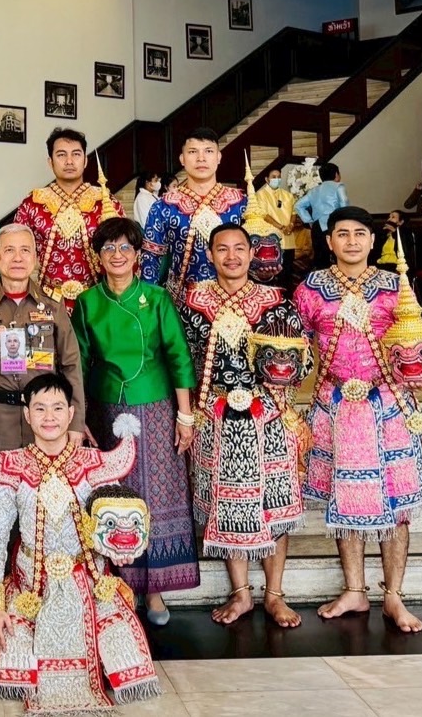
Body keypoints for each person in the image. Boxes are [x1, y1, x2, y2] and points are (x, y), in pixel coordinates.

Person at [0, 373, 161, 712]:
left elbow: (120, 522)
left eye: (58, 408)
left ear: (71, 413)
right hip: (31, 585)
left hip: (89, 581)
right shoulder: (10, 467)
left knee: (123, 650)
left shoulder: (96, 465)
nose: (49, 417)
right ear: (27, 414)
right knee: (10, 655)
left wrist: (122, 549)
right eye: (40, 408)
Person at [295, 206, 422, 632]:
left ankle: (394, 596)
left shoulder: (395, 286)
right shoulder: (310, 289)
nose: (351, 241)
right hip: (333, 403)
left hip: (391, 403)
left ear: (373, 241)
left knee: (398, 504)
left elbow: (417, 343)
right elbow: (295, 350)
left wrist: (420, 366)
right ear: (329, 241)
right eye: (342, 233)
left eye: (359, 233)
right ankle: (354, 590)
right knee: (345, 497)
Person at [181, 223, 312, 627]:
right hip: (214, 415)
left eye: (240, 248)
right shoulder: (193, 302)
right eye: (222, 249)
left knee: (275, 503)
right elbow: (181, 360)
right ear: (210, 254)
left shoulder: (276, 302)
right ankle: (241, 594)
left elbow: (303, 359)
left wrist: (283, 383)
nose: (232, 257)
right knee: (227, 505)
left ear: (252, 253)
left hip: (269, 414)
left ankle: (274, 595)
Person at [71, 217, 198, 625]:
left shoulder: (156, 298)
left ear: (138, 255)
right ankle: (117, 585)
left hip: (156, 407)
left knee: (155, 494)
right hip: (105, 409)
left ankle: (155, 590)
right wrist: (78, 416)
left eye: (125, 248)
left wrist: (184, 415)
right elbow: (78, 362)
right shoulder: (87, 302)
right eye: (109, 248)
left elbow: (179, 356)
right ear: (98, 257)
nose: (117, 255)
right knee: (114, 493)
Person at [0, 224, 85, 454]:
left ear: (35, 258)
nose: (17, 258)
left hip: (47, 422)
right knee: (1, 476)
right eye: (9, 250)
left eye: (25, 250)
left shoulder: (53, 304)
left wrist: (75, 422)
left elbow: (71, 364)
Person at [13, 128, 125, 308]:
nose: (69, 161)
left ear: (85, 160)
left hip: (98, 299)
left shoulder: (104, 200)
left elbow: (126, 250)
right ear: (50, 162)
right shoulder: (33, 203)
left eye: (76, 154)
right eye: (61, 155)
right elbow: (16, 252)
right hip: (47, 300)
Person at [140, 127, 247, 306]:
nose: (201, 158)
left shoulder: (241, 203)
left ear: (219, 157)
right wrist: (147, 305)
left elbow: (254, 256)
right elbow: (150, 259)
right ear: (182, 159)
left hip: (233, 300)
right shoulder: (164, 206)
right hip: (181, 304)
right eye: (192, 152)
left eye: (208, 151)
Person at [294, 162, 349, 270]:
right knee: (340, 258)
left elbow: (298, 205)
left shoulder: (313, 191)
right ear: (336, 174)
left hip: (317, 227)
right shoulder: (339, 186)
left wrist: (309, 221)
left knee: (321, 261)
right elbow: (344, 205)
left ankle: (322, 280)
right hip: (335, 225)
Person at [255, 169, 298, 290]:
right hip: (270, 240)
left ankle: (287, 297)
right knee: (271, 273)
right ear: (267, 179)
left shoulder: (288, 195)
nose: (276, 179)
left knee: (287, 273)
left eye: (278, 177)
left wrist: (291, 224)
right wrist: (281, 227)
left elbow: (294, 213)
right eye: (273, 177)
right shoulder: (260, 195)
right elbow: (264, 215)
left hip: (288, 240)